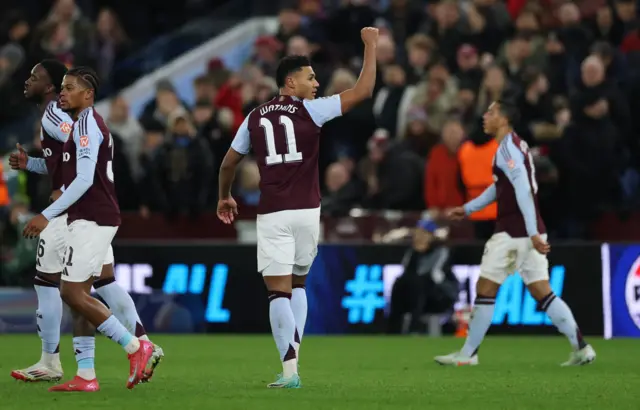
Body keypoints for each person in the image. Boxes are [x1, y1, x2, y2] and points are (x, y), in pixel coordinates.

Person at [217, 27, 379, 388]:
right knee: (300, 285)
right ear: (290, 83)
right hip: (308, 211)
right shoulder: (312, 111)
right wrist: (371, 45)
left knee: (278, 291)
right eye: (310, 77)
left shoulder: (254, 117)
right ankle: (294, 361)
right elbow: (364, 91)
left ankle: (289, 370)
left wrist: (224, 196)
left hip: (273, 211)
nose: (317, 83)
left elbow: (228, 163)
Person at [9, 60, 163, 389]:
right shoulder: (80, 120)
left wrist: (49, 210)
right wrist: (31, 163)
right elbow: (67, 160)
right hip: (84, 211)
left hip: (77, 212)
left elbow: (80, 168)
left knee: (53, 284)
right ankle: (92, 370)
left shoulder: (60, 115)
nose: (28, 81)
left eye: (36, 77)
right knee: (99, 284)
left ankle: (62, 358)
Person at [434, 100, 596, 367]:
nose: (485, 116)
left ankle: (468, 355)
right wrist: (469, 208)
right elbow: (501, 188)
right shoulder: (515, 145)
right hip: (529, 230)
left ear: (505, 119)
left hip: (513, 232)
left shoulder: (507, 148)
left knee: (485, 288)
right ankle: (581, 347)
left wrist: (530, 232)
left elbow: (522, 190)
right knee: (543, 292)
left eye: (492, 112)